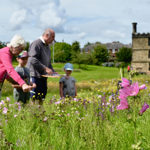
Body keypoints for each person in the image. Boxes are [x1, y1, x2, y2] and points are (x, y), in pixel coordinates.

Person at [27, 28, 56, 104]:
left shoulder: (47, 46)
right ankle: (32, 114)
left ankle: (40, 114)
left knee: (41, 98)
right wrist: (45, 68)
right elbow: (32, 59)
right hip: (34, 76)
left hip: (43, 77)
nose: (53, 39)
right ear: (46, 35)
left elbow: (48, 62)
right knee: (33, 98)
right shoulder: (36, 44)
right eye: (53, 37)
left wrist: (53, 71)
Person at [0, 35, 34, 100]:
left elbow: (4, 71)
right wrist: (23, 84)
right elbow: (10, 70)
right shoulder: (5, 53)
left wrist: (16, 82)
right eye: (20, 49)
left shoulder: (9, 54)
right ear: (14, 46)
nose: (20, 52)